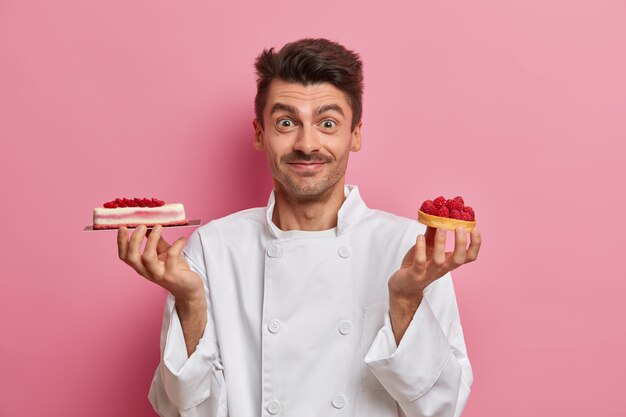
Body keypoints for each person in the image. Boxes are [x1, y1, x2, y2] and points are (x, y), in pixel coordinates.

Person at [117, 38, 481, 417]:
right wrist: (190, 305)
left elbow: (443, 408)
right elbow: (181, 412)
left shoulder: (412, 250)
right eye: (286, 123)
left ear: (355, 134)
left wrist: (405, 302)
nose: (307, 144)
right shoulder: (211, 249)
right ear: (260, 134)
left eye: (327, 123)